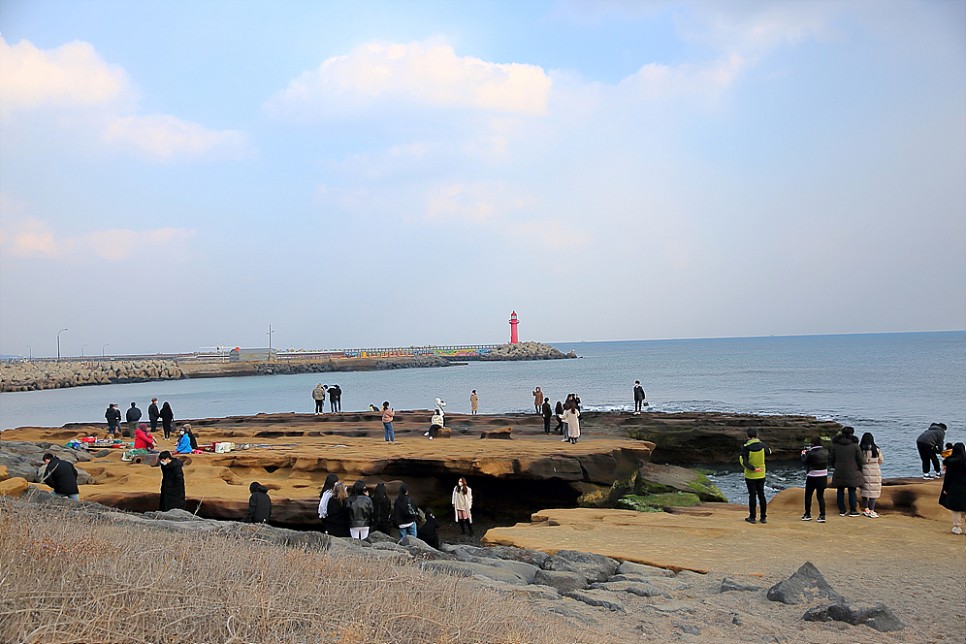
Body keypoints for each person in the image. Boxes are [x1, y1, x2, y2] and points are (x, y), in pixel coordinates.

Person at [829, 426, 864, 517]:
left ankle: (842, 510)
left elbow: (831, 459)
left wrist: (835, 466)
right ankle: (853, 510)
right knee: (852, 490)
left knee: (840, 490)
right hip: (852, 471)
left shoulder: (835, 445)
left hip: (839, 470)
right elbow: (860, 460)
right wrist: (859, 469)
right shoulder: (855, 446)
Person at [739, 428, 771, 524]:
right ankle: (763, 517)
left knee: (752, 495)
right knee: (762, 495)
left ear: (748, 436)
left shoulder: (745, 447)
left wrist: (753, 468)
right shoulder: (763, 445)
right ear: (757, 435)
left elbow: (745, 462)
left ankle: (752, 517)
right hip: (761, 474)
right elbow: (769, 453)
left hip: (750, 475)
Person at [938, 442, 966, 535]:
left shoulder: (951, 461)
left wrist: (946, 488)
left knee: (956, 508)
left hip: (955, 486)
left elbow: (948, 476)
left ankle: (957, 527)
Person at [801, 436, 828, 522]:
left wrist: (803, 454)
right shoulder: (826, 451)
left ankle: (807, 514)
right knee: (820, 496)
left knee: (808, 495)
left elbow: (805, 462)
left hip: (812, 476)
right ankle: (822, 515)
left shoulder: (811, 453)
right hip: (823, 475)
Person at [859, 432, 884, 518]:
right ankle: (872, 510)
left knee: (864, 490)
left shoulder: (860, 449)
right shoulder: (876, 449)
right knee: (873, 491)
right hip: (875, 470)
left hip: (864, 469)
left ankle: (866, 509)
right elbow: (881, 460)